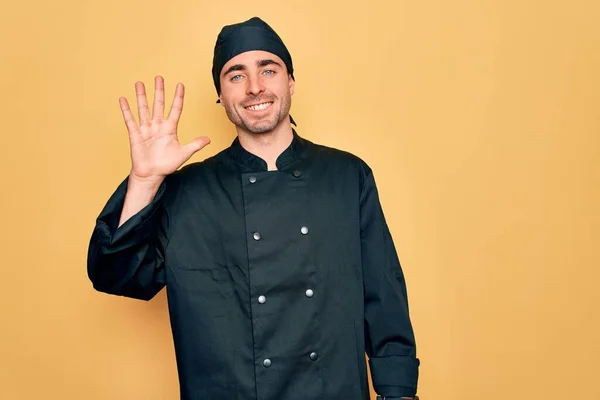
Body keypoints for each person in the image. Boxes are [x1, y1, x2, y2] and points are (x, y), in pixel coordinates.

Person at [87, 16, 420, 400]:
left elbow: (384, 293)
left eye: (268, 69)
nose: (255, 87)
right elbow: (115, 276)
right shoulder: (186, 191)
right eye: (236, 75)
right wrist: (145, 181)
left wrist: (398, 392)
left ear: (290, 81)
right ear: (220, 94)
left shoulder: (347, 176)